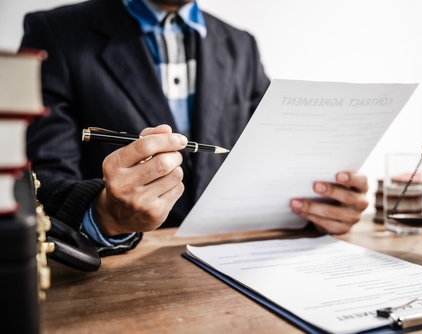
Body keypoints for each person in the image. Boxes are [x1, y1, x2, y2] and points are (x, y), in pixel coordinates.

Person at [21, 0, 369, 257]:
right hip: (114, 270)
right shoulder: (55, 33)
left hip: (232, 264)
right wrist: (106, 215)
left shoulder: (241, 45)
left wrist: (316, 203)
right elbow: (40, 181)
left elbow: (272, 158)